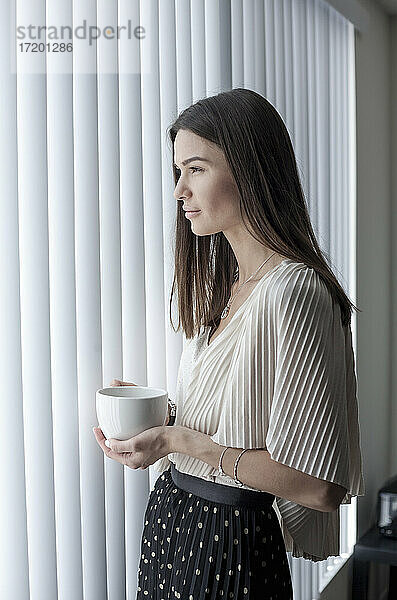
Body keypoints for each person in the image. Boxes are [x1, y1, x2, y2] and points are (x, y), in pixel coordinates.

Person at [94, 88, 365, 599]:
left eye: (195, 170)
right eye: (179, 172)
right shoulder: (228, 288)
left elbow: (319, 486)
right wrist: (165, 418)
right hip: (174, 521)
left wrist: (179, 441)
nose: (179, 191)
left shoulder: (295, 291)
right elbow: (236, 423)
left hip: (228, 544)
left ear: (249, 169)